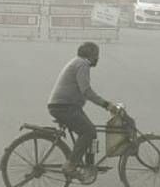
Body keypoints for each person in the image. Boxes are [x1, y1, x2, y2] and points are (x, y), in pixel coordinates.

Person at [48, 42, 121, 179]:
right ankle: (71, 164)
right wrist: (106, 105)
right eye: (96, 55)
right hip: (64, 106)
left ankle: (89, 165)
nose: (97, 58)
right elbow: (86, 91)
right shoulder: (83, 64)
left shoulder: (77, 62)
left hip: (67, 105)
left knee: (92, 133)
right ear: (91, 55)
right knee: (89, 132)